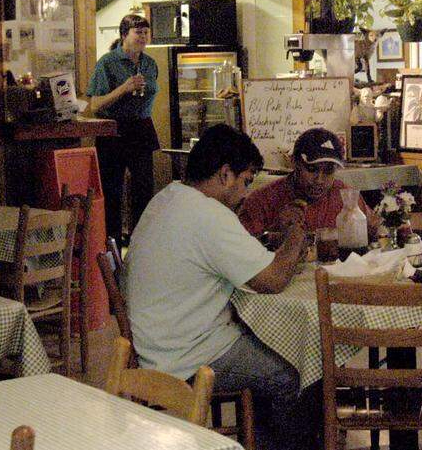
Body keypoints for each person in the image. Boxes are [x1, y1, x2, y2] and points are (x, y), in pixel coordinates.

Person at [124, 124, 315, 450]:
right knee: (299, 371)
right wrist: (296, 233)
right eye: (246, 181)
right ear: (225, 174)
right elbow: (272, 280)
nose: (245, 193)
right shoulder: (208, 214)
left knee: (274, 349)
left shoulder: (168, 197)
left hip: (158, 343)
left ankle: (260, 441)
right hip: (185, 356)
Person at [87, 13, 159, 247]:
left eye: (146, 32)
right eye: (138, 32)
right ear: (124, 35)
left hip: (142, 128)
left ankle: (141, 246)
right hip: (114, 130)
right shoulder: (107, 63)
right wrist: (124, 88)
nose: (143, 37)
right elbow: (95, 105)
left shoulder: (150, 63)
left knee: (144, 191)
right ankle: (113, 248)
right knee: (112, 192)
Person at [239, 127, 381, 240]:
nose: (319, 180)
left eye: (328, 171)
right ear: (294, 163)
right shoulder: (261, 201)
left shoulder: (345, 196)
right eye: (312, 169)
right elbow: (241, 255)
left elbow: (374, 232)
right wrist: (275, 231)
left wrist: (373, 233)